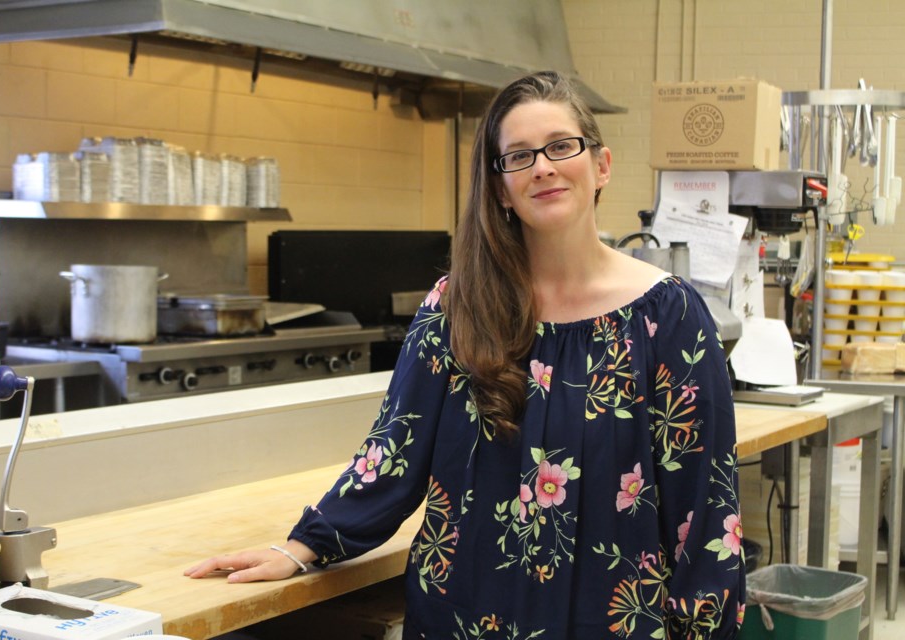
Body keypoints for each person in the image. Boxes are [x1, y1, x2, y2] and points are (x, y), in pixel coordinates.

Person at [186, 70, 745, 639]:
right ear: (500, 186)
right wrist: (304, 547)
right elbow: (395, 449)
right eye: (519, 156)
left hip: (606, 620)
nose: (543, 167)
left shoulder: (666, 317)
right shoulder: (457, 306)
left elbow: (704, 509)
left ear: (600, 165)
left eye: (560, 146)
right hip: (461, 615)